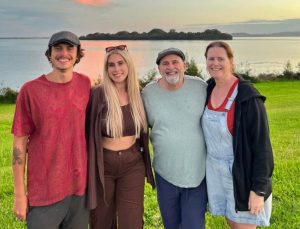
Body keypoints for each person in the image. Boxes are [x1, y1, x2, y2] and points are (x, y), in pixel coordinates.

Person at [11, 31, 91, 229]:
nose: (64, 53)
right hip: (44, 194)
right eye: (58, 48)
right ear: (49, 54)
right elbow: (19, 144)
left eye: (69, 48)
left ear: (78, 54)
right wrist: (19, 194)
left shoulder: (85, 84)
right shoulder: (30, 91)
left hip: (79, 191)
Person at [202, 41, 274, 228]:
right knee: (231, 222)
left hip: (241, 174)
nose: (215, 63)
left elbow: (262, 147)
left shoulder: (247, 97)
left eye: (220, 58)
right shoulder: (208, 88)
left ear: (231, 62)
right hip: (215, 170)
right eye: (211, 58)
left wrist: (258, 190)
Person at [86, 44, 155, 229]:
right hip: (104, 166)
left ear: (129, 65)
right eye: (111, 65)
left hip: (132, 164)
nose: (116, 69)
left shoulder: (138, 95)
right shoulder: (97, 94)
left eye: (120, 63)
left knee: (131, 221)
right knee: (101, 220)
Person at [142, 48, 207, 229]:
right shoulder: (148, 93)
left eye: (175, 62)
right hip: (165, 173)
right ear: (159, 69)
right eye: (165, 64)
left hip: (196, 174)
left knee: (193, 225)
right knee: (171, 225)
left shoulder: (200, 87)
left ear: (184, 66)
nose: (171, 67)